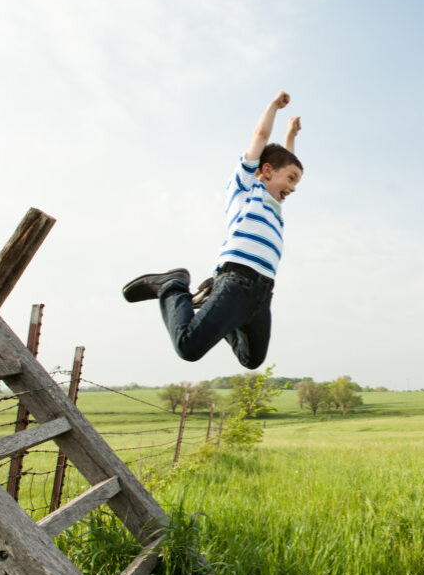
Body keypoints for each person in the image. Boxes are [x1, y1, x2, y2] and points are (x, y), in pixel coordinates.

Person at [121, 91, 303, 369]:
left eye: (296, 183)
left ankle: (210, 298)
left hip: (262, 293)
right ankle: (172, 285)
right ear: (266, 170)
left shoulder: (275, 207)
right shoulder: (246, 189)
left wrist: (291, 134)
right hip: (236, 281)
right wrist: (273, 108)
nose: (292, 187)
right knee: (188, 347)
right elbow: (260, 137)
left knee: (252, 359)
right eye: (290, 179)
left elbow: (286, 159)